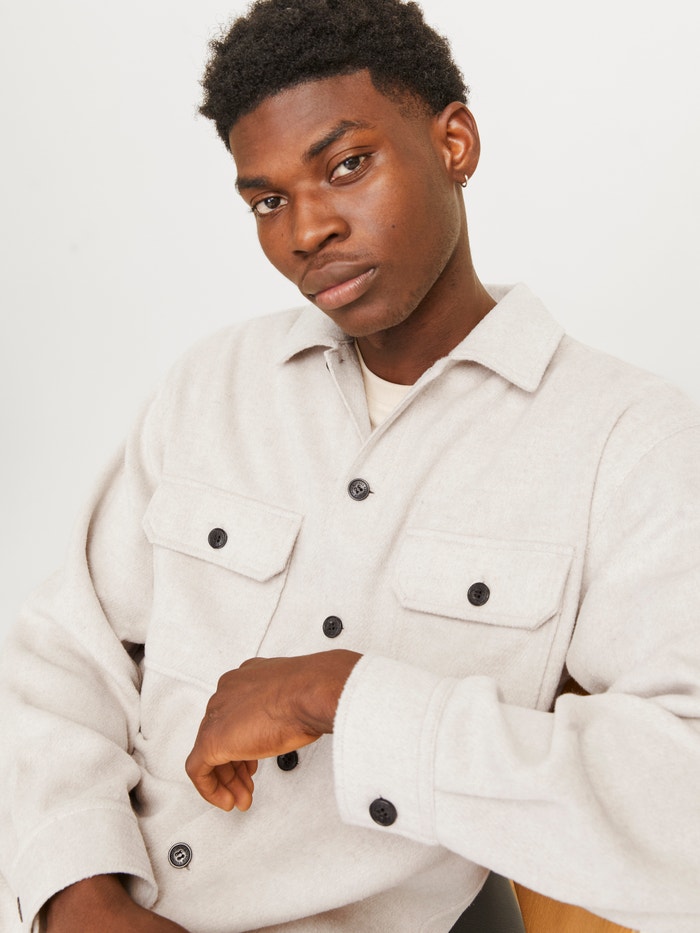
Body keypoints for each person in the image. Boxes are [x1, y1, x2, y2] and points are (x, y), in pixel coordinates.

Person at [1, 0, 699, 930]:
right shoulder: (213, 383)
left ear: (454, 143)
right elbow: (61, 657)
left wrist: (338, 691)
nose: (306, 231)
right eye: (268, 201)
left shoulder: (625, 439)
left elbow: (679, 797)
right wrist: (77, 891)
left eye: (346, 166)